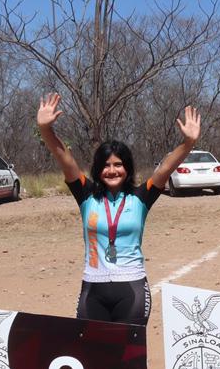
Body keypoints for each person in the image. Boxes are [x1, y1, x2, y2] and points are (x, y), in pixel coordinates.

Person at [36, 92, 202, 325]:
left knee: (130, 359)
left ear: (127, 168)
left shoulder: (141, 197)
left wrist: (188, 143)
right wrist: (46, 130)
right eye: (105, 166)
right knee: (90, 356)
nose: (112, 171)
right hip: (92, 286)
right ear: (97, 169)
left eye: (118, 165)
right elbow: (66, 159)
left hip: (132, 288)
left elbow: (165, 168)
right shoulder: (86, 195)